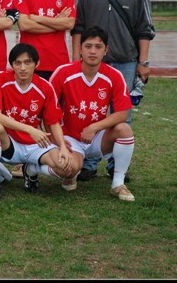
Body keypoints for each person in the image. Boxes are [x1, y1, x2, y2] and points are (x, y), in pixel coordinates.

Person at [71, 0, 155, 182]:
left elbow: (145, 29)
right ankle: (88, 164)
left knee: (122, 115)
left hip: (125, 62)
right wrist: (76, 59)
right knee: (89, 111)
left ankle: (116, 165)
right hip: (91, 64)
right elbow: (78, 27)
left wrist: (143, 63)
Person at [10, 0, 75, 178]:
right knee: (28, 111)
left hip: (57, 62)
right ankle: (25, 159)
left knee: (55, 113)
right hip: (28, 62)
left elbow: (70, 23)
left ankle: (62, 154)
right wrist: (55, 22)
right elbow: (24, 24)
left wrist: (37, 17)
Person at [50, 26, 136, 201]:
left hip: (98, 138)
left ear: (106, 50)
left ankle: (117, 184)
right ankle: (68, 173)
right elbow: (48, 108)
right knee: (69, 169)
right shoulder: (63, 72)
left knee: (124, 130)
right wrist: (56, 139)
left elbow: (122, 114)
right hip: (70, 138)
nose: (93, 51)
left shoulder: (114, 75)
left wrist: (94, 127)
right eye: (88, 46)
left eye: (98, 47)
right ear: (80, 49)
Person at [0, 43, 75, 201]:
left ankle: (31, 170)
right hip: (8, 143)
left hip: (35, 144)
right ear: (12, 65)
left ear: (37, 64)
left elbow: (53, 122)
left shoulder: (45, 87)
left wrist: (63, 147)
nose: (23, 68)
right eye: (18, 63)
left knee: (67, 169)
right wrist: (30, 130)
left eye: (27, 62)